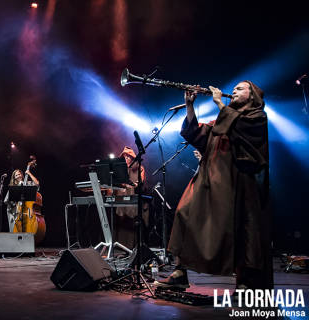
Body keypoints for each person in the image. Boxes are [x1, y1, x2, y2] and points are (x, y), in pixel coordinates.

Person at [156, 81, 272, 290]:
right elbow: (196, 135)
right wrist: (190, 106)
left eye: (241, 88)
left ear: (253, 95)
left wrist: (219, 103)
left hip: (236, 181)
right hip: (208, 178)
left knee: (239, 229)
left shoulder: (256, 117)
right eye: (234, 88)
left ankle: (245, 283)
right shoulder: (221, 118)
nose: (234, 90)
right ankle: (180, 272)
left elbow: (241, 130)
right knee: (184, 212)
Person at [113, 146, 148, 249]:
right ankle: (120, 247)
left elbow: (140, 183)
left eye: (128, 156)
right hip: (121, 199)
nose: (126, 158)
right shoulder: (120, 168)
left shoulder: (139, 168)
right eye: (124, 157)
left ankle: (131, 247)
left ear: (132, 157)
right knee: (120, 221)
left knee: (131, 222)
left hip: (133, 199)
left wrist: (133, 185)